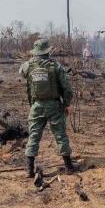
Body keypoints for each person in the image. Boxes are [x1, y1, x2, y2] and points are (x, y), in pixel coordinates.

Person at [19, 39, 76, 187]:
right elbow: (67, 88)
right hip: (54, 105)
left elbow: (22, 72)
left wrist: (33, 62)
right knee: (60, 135)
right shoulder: (55, 66)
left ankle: (29, 170)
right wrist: (67, 104)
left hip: (36, 106)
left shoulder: (29, 65)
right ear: (48, 51)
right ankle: (69, 167)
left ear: (35, 52)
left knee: (34, 135)